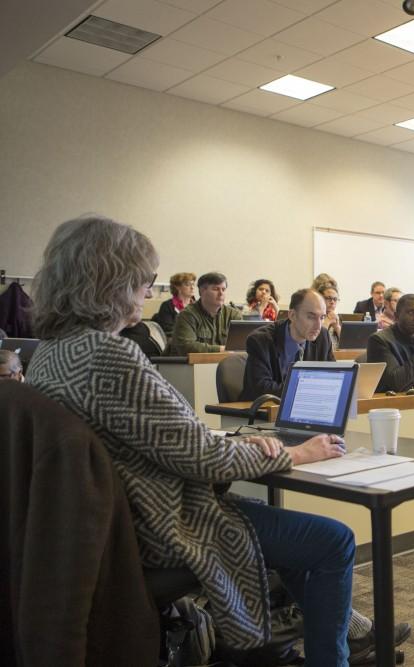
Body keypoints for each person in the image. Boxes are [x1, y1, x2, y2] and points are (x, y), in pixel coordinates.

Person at [24, 214, 359, 664]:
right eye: (143, 282)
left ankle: (339, 633)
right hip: (162, 527)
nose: (147, 293)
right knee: (333, 541)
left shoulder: (49, 352)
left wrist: (236, 445)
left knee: (283, 530)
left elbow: (159, 437)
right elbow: (200, 456)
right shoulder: (110, 356)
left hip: (110, 525)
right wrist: (294, 454)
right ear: (111, 283)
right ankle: (333, 650)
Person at [240, 289, 336, 401]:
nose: (318, 325)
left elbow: (333, 378)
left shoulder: (322, 337)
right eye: (311, 317)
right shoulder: (261, 340)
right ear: (292, 315)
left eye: (322, 317)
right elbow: (261, 389)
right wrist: (309, 390)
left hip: (306, 409)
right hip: (261, 412)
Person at [169, 272, 242, 354]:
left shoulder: (233, 315)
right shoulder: (187, 315)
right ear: (202, 291)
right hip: (187, 365)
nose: (221, 293)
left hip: (224, 363)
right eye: (216, 289)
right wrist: (221, 349)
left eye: (223, 289)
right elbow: (187, 346)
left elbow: (240, 346)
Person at [152, 271, 195, 336]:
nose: (192, 287)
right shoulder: (167, 306)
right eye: (188, 285)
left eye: (193, 284)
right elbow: (168, 330)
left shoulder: (198, 306)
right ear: (177, 287)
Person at [317, 281, 342, 350]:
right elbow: (315, 343)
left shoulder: (338, 318)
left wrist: (337, 328)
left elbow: (347, 345)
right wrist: (327, 322)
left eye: (335, 299)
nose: (332, 302)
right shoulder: (314, 318)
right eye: (328, 298)